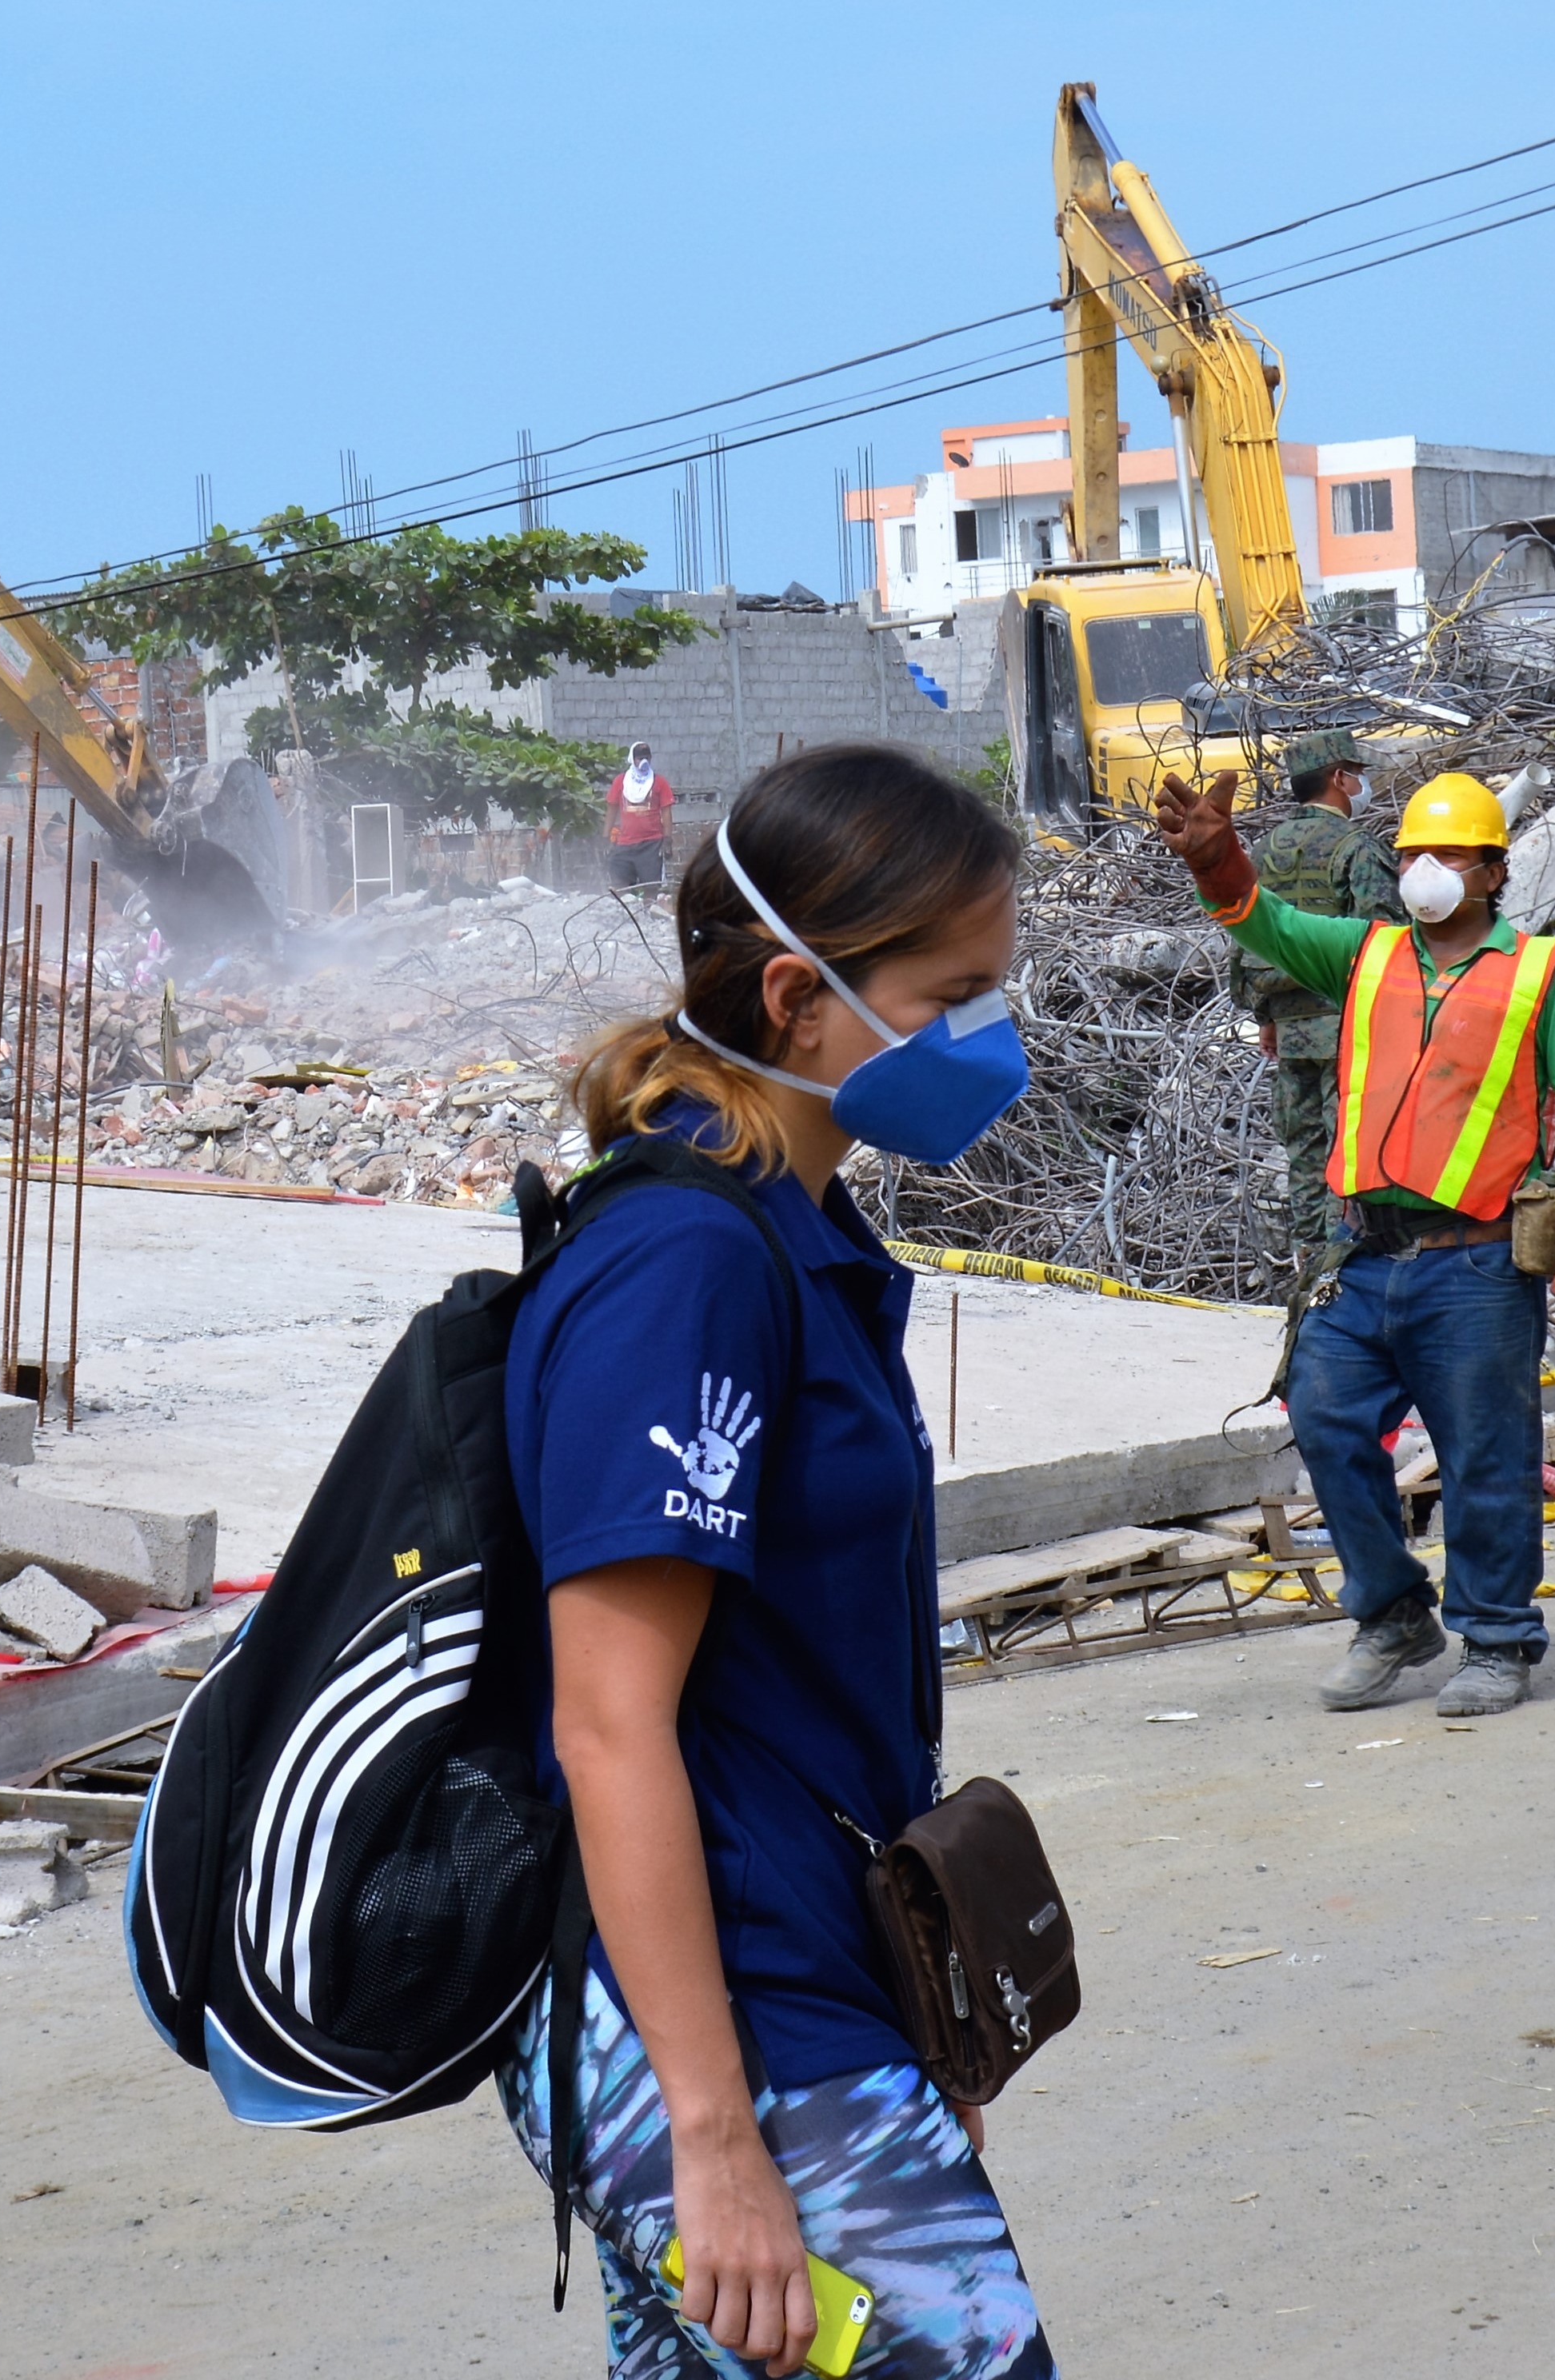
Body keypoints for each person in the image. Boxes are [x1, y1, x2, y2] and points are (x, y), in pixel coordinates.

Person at [500, 743, 1054, 2378]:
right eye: (951, 995)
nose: (981, 1038)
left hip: (811, 1976)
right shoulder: (683, 1266)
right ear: (803, 998)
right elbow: (608, 1724)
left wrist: (914, 1995)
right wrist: (716, 2133)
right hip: (722, 2016)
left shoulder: (797, 1237)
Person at [1154, 765, 1555, 1721]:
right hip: (1362, 1256)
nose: (1426, 869)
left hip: (1478, 1261)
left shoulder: (1541, 976)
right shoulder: (1367, 955)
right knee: (1325, 1416)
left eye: (1449, 854)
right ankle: (1392, 1615)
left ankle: (1497, 1638)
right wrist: (1218, 861)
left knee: (1483, 1459)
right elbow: (1265, 925)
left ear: (1493, 873)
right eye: (1414, 851)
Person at [1233, 730, 1405, 1267]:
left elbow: (1245, 936)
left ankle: (1306, 1271)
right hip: (1346, 1028)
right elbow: (1384, 940)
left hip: (1288, 1031)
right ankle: (1342, 1272)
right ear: (1339, 779)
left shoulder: (1261, 852)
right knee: (1349, 1153)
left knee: (1303, 1155)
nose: (1364, 782)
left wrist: (1265, 1015)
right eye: (1358, 771)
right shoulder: (1357, 848)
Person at [605, 741, 675, 891]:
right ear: (632, 759)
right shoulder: (621, 782)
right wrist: (606, 837)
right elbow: (612, 810)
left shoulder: (659, 782)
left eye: (647, 758)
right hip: (625, 844)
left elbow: (666, 812)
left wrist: (667, 840)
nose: (644, 762)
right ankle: (625, 912)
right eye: (639, 758)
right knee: (620, 886)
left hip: (651, 844)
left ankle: (648, 913)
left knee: (650, 887)